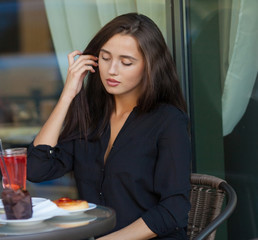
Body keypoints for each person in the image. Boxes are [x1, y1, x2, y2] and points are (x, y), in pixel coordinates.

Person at [27, 13, 191, 239]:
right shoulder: (93, 116)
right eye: (105, 58)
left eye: (126, 62)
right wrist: (68, 95)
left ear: (150, 66)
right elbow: (37, 168)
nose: (112, 70)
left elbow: (174, 211)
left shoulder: (168, 121)